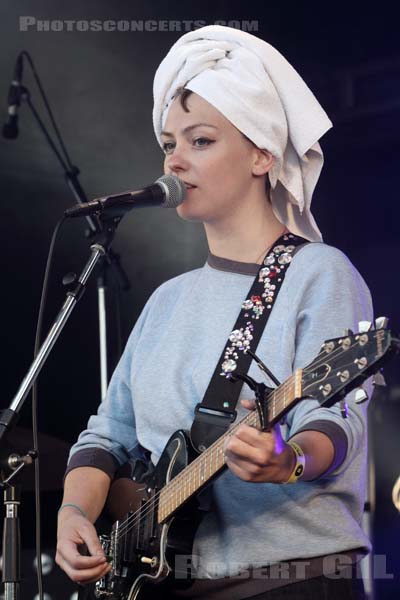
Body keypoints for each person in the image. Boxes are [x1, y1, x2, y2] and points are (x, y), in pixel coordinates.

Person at [56, 26, 372, 599]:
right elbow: (107, 435)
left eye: (200, 140)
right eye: (168, 144)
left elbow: (336, 421)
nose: (174, 161)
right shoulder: (165, 302)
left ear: (261, 153)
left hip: (288, 582)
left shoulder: (317, 273)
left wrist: (290, 459)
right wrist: (75, 509)